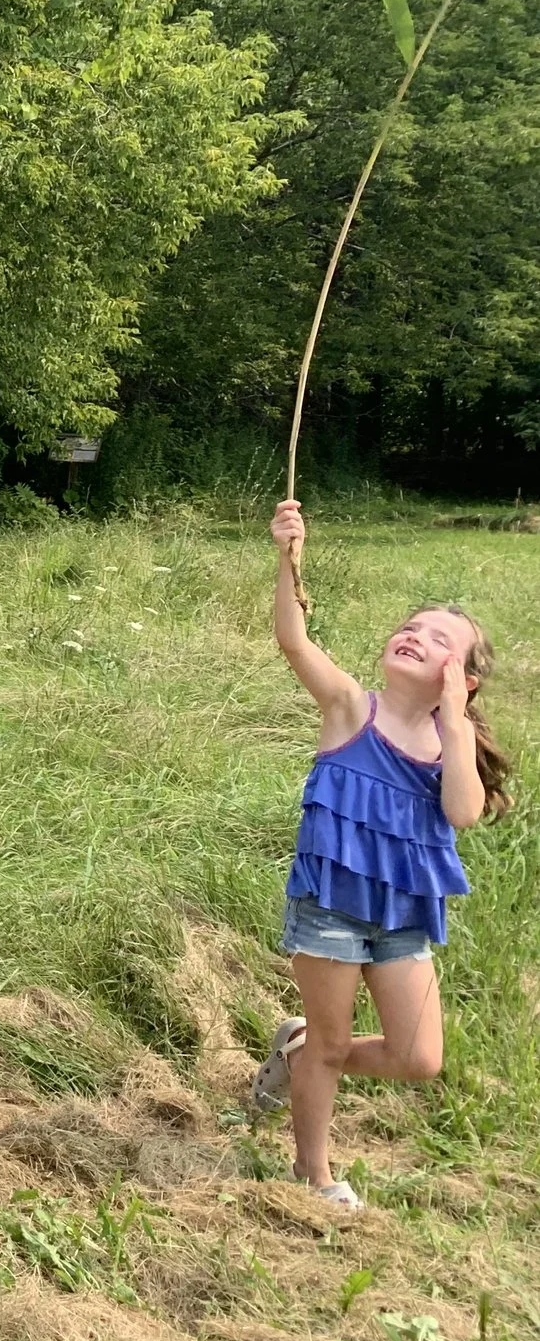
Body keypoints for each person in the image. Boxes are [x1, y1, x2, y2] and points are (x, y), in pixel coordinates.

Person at [247, 500, 509, 1209]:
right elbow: (294, 641)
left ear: (464, 679)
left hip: (401, 919)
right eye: (410, 626)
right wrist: (286, 560)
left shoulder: (449, 745)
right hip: (330, 904)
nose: (415, 635)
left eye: (438, 638)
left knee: (419, 1056)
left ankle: (299, 1054)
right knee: (333, 1044)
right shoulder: (348, 709)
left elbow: (462, 811)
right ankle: (313, 1172)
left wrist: (454, 722)